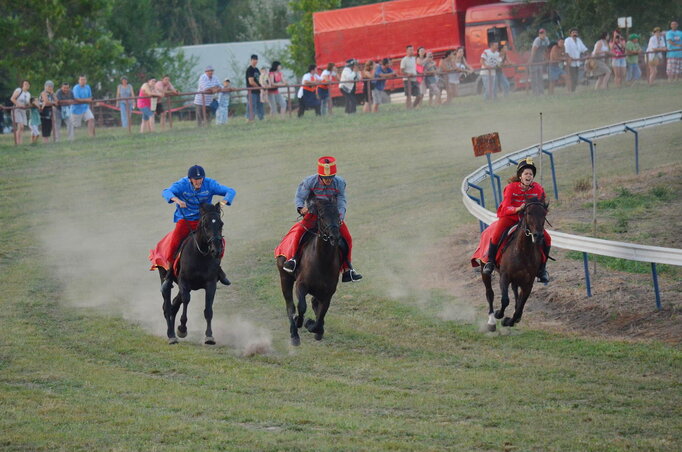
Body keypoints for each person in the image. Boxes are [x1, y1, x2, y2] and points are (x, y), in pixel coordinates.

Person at [274, 156, 362, 283]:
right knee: (299, 231)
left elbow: (342, 200)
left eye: (331, 177)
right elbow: (299, 197)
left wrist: (340, 216)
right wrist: (301, 208)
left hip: (332, 215)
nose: (328, 180)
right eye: (325, 178)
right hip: (313, 212)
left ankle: (348, 269)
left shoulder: (340, 183)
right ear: (320, 175)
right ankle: (293, 259)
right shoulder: (309, 182)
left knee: (347, 237)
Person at [150, 165, 236, 292]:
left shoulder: (210, 184)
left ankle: (218, 269)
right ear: (190, 179)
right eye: (196, 179)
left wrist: (224, 201)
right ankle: (169, 275)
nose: (198, 182)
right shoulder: (182, 184)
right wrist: (177, 200)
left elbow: (231, 191)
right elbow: (166, 192)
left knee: (219, 241)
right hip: (186, 220)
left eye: (200, 179)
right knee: (174, 243)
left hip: (204, 221)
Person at [480, 158, 551, 283]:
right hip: (510, 217)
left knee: (547, 238)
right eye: (526, 173)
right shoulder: (511, 188)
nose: (529, 176)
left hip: (527, 220)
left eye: (531, 174)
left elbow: (542, 205)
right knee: (496, 234)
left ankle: (542, 269)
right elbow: (506, 206)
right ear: (520, 176)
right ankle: (490, 263)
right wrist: (519, 208)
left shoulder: (538, 188)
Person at [564, 28, 589, 92]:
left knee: (576, 78)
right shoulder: (567, 40)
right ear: (570, 34)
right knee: (572, 78)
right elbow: (566, 51)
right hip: (570, 63)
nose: (574, 34)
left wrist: (588, 54)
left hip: (577, 62)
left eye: (576, 32)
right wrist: (569, 58)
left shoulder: (579, 40)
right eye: (573, 32)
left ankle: (573, 91)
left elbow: (584, 49)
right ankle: (570, 91)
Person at [529, 28, 550, 95]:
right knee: (534, 78)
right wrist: (531, 60)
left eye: (543, 33)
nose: (542, 34)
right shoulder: (537, 40)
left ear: (545, 33)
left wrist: (546, 58)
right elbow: (534, 50)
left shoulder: (546, 39)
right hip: (534, 60)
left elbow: (546, 49)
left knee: (540, 77)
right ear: (539, 34)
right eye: (541, 33)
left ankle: (541, 92)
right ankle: (535, 93)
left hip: (540, 60)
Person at [10, 80, 31, 145]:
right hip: (17, 109)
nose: (26, 85)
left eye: (28, 84)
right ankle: (17, 143)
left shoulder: (28, 94)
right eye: (25, 84)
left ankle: (20, 143)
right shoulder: (19, 90)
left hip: (23, 110)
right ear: (22, 85)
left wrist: (28, 105)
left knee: (22, 128)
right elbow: (12, 98)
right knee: (20, 126)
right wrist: (19, 104)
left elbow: (27, 103)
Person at [246, 54, 264, 121]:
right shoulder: (249, 69)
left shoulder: (256, 69)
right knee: (251, 106)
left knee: (260, 105)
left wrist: (263, 85)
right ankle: (250, 119)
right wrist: (259, 87)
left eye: (256, 60)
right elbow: (251, 81)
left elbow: (260, 79)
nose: (255, 61)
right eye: (254, 60)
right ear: (251, 60)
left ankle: (261, 119)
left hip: (258, 92)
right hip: (252, 92)